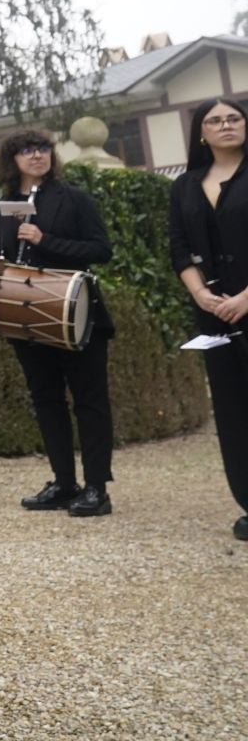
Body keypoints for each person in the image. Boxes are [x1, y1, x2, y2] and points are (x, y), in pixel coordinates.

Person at [0, 128, 117, 517]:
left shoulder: (74, 199)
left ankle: (96, 489)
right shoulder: (7, 205)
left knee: (90, 401)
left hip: (77, 314)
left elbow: (101, 250)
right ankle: (64, 483)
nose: (37, 155)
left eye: (43, 148)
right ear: (13, 160)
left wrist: (45, 240)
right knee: (46, 400)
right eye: (27, 150)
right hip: (27, 316)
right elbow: (10, 254)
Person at [168, 97, 248, 542]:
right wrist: (200, 294)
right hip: (215, 316)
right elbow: (178, 247)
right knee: (234, 412)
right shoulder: (184, 186)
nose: (225, 125)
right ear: (201, 132)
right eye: (215, 121)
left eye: (234, 118)